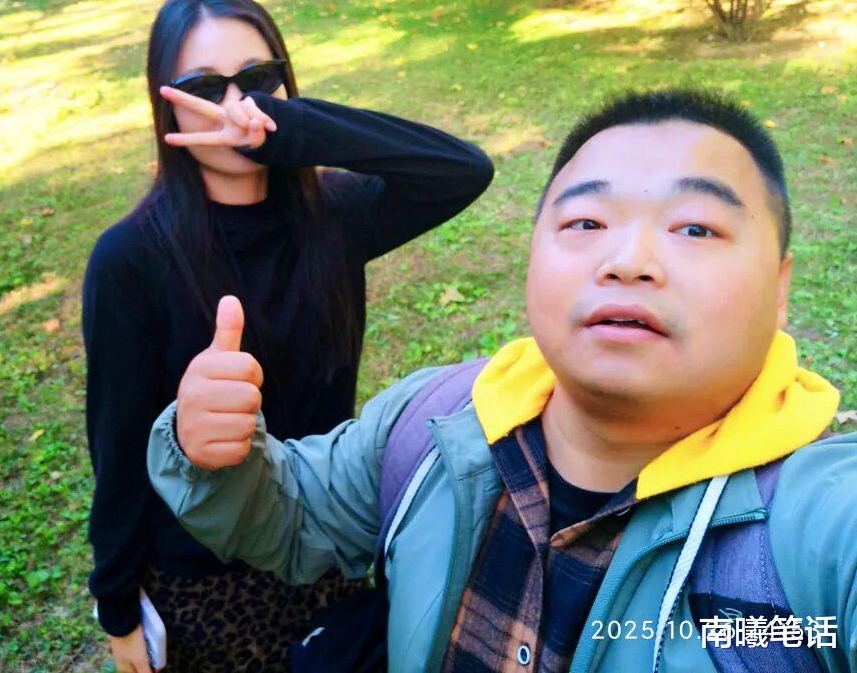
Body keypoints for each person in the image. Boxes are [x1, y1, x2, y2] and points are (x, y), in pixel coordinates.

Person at [148, 89, 855, 672]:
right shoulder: (430, 426)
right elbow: (292, 515)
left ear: (781, 285)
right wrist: (215, 455)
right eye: (586, 221)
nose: (629, 260)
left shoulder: (819, 537)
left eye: (695, 228)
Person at [82, 0, 494, 672]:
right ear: (166, 106)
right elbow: (117, 444)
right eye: (204, 88)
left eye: (257, 81)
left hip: (327, 545)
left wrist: (292, 130)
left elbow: (461, 170)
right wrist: (118, 606)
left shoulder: (334, 213)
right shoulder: (130, 257)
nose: (235, 106)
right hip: (203, 579)